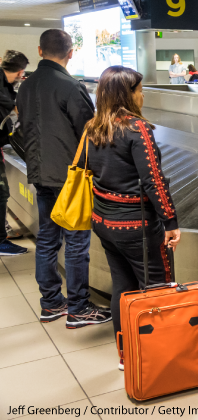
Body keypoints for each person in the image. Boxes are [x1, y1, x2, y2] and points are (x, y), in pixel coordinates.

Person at [80, 66, 180, 369]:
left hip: (105, 222)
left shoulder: (93, 127)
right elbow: (154, 181)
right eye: (138, 89)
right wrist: (171, 221)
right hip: (138, 227)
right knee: (159, 288)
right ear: (127, 94)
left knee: (122, 288)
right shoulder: (137, 129)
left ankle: (127, 354)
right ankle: (159, 358)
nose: (143, 94)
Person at [16, 29, 111, 327]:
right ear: (71, 53)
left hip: (39, 174)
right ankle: (79, 307)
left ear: (40, 51)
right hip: (70, 179)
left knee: (46, 239)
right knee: (76, 242)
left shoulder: (26, 86)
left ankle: (52, 303)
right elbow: (90, 133)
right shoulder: (71, 86)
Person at [0, 50, 29, 255]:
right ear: (20, 72)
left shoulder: (4, 85)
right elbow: (16, 111)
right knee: (1, 195)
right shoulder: (3, 91)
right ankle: (1, 242)